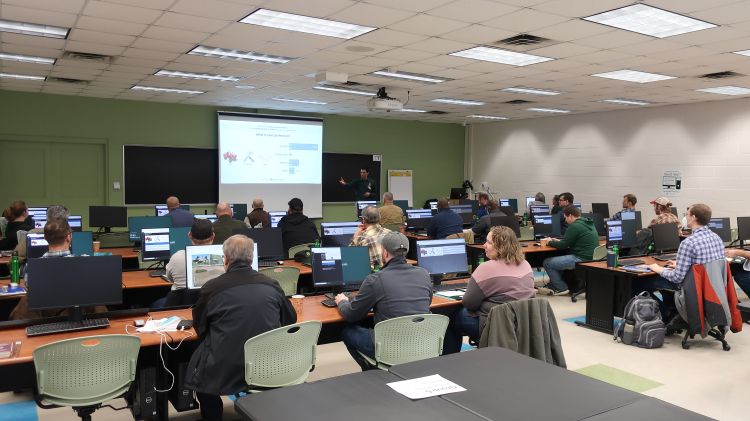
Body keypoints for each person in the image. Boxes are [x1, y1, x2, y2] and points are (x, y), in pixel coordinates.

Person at [185, 235, 296, 421]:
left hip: (224, 368)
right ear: (251, 258)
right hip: (267, 363)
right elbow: (289, 320)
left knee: (198, 362)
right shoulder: (271, 284)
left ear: (225, 260)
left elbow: (200, 328)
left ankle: (212, 415)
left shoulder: (212, 288)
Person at [335, 232, 432, 370]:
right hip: (422, 342)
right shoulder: (424, 274)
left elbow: (351, 315)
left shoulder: (375, 280)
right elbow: (427, 303)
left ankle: (373, 370)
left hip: (390, 346)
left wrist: (342, 301)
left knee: (347, 331)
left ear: (385, 253)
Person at [443, 226, 535, 354]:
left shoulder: (486, 268)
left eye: (489, 242)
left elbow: (469, 303)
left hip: (494, 324)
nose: (484, 245)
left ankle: (449, 361)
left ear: (501, 246)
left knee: (449, 318)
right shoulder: (525, 264)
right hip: (522, 321)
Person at [10, 220, 107, 320]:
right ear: (69, 237)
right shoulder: (86, 264)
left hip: (46, 321)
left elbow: (32, 293)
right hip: (79, 319)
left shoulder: (31, 267)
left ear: (45, 238)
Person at [646, 204, 725, 320]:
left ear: (693, 217)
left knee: (642, 282)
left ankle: (665, 313)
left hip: (692, 288)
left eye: (687, 214)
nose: (685, 217)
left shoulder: (688, 243)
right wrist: (680, 265)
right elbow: (705, 265)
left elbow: (677, 278)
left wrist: (659, 269)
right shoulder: (716, 238)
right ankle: (671, 310)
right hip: (711, 289)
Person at [539, 205, 598, 296]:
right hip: (591, 258)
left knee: (547, 262)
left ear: (570, 215)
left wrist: (549, 242)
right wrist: (560, 241)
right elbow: (571, 241)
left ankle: (561, 288)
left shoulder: (575, 226)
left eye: (565, 217)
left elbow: (563, 245)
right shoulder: (588, 222)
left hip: (580, 259)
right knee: (558, 259)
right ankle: (554, 284)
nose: (565, 220)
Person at [165, 219, 215, 291]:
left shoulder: (176, 257)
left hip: (182, 301)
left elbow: (170, 278)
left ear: (189, 235)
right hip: (211, 301)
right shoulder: (224, 257)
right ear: (213, 236)